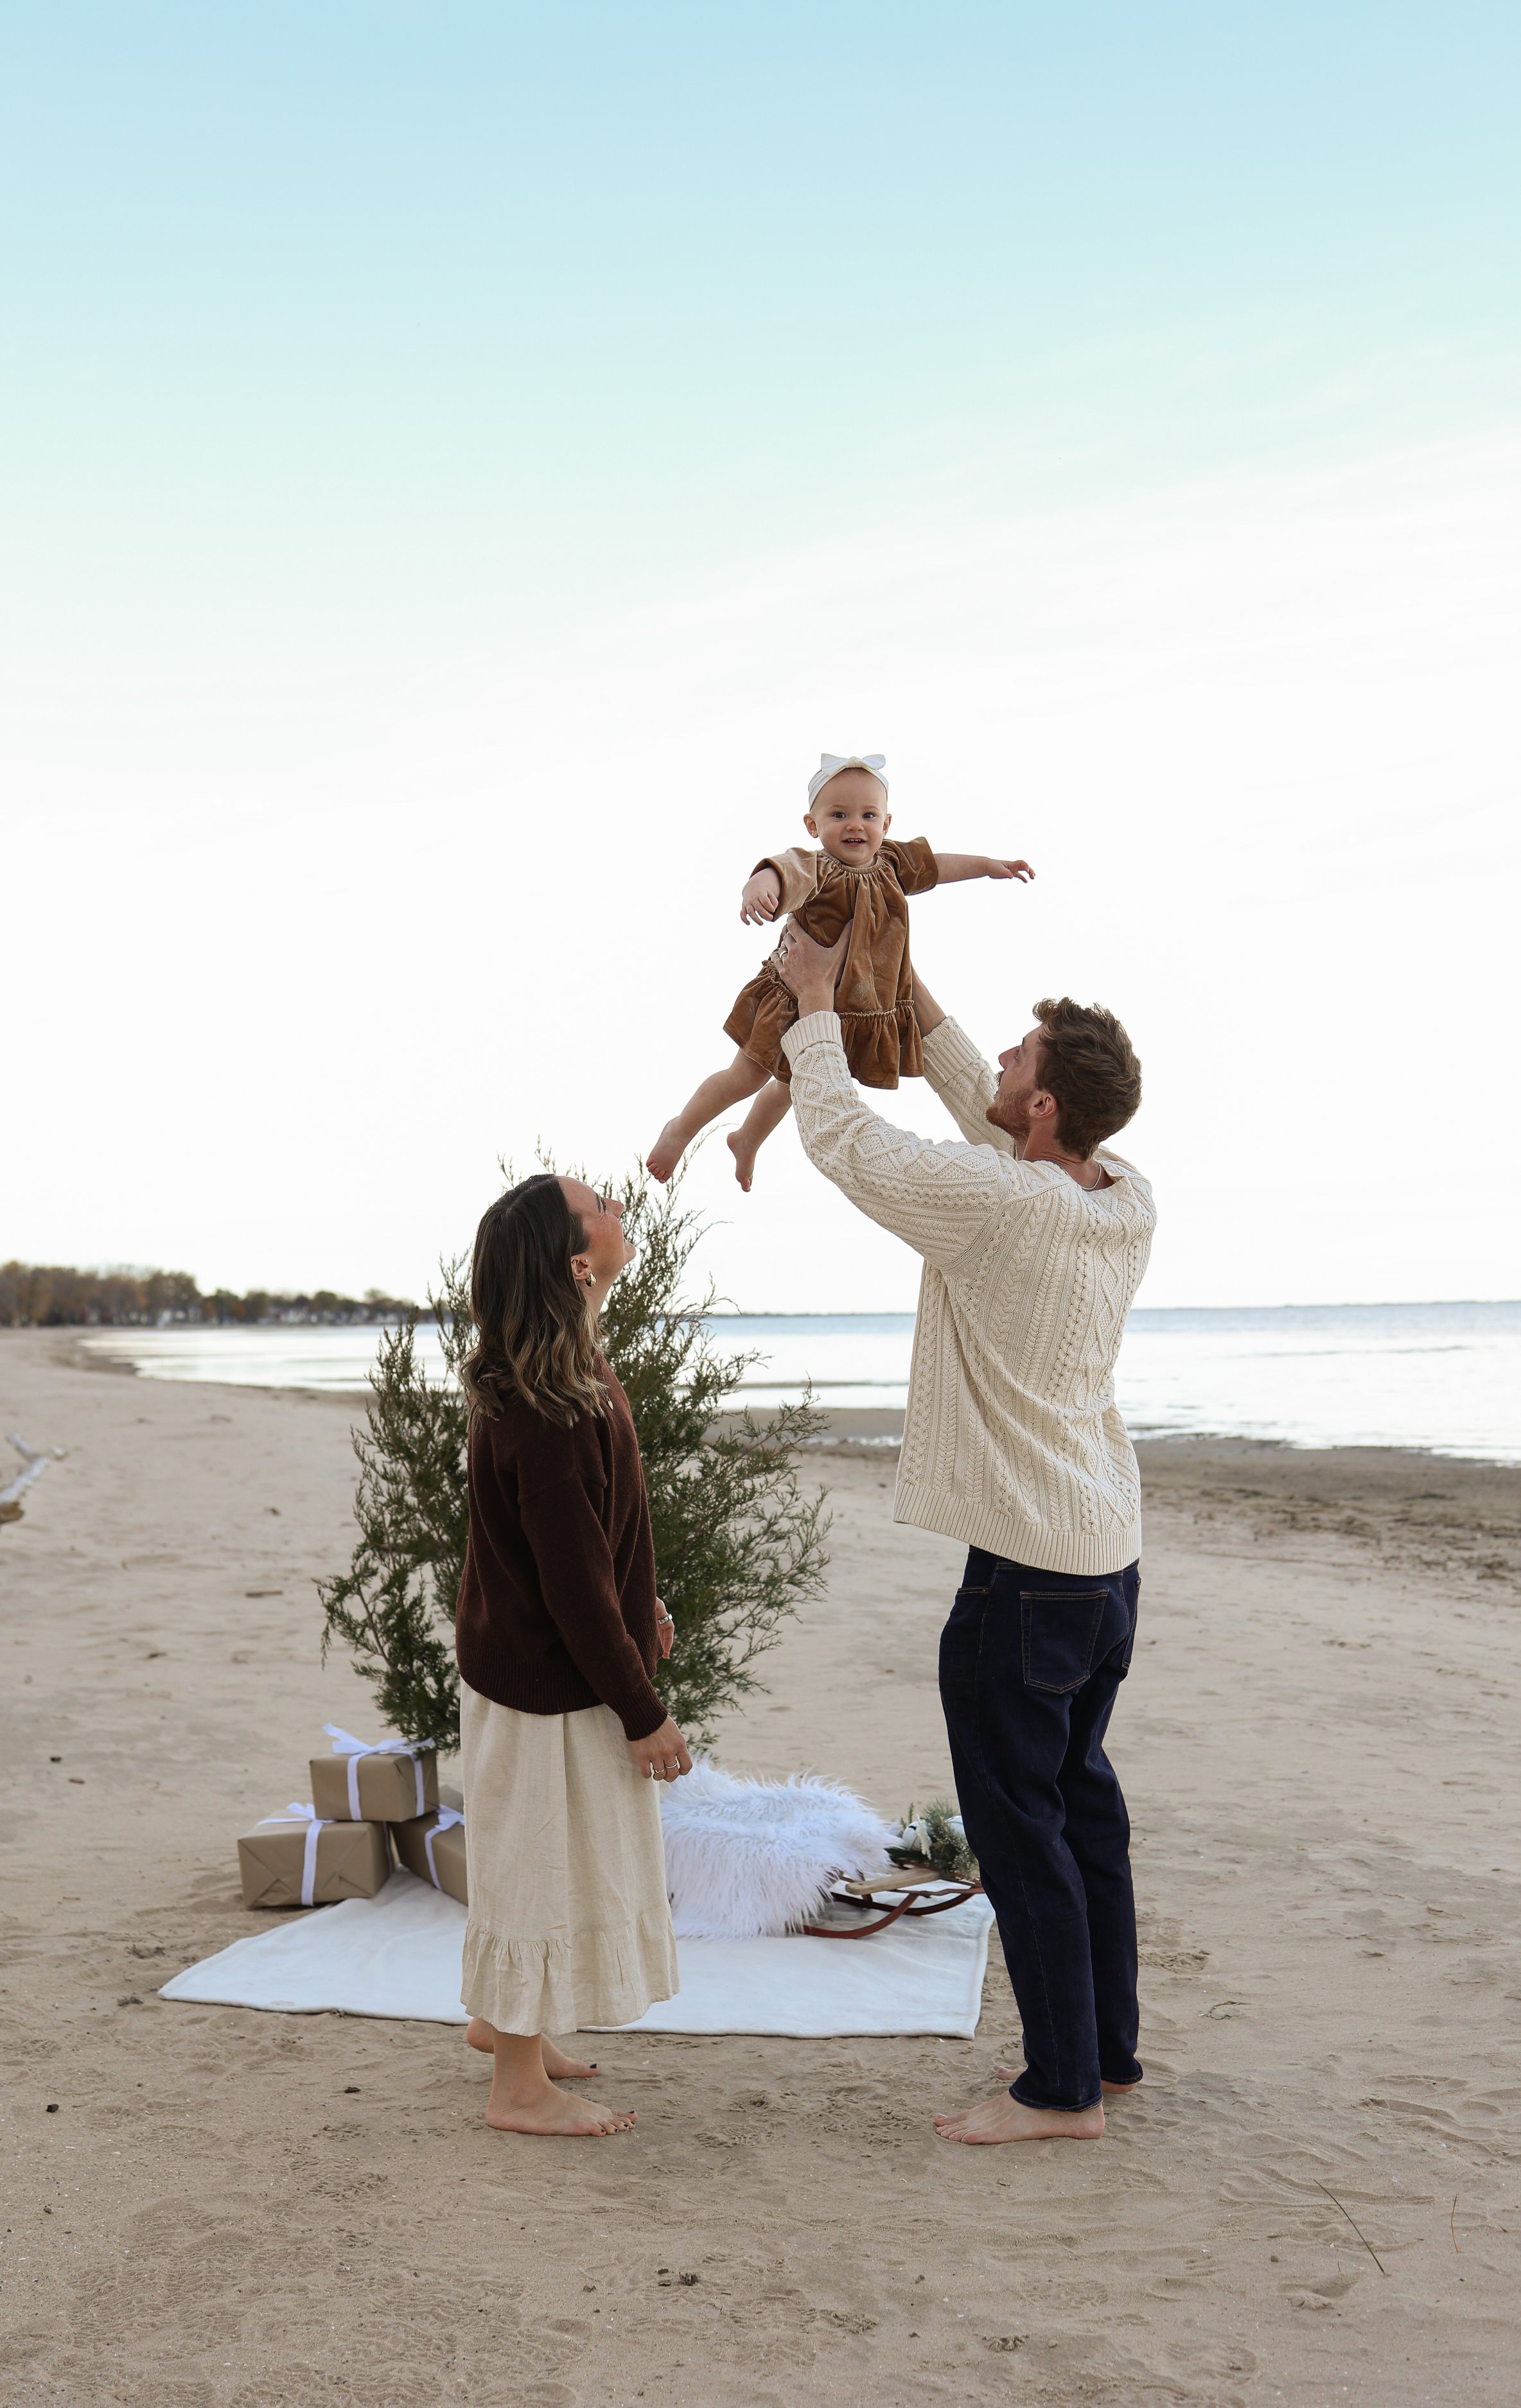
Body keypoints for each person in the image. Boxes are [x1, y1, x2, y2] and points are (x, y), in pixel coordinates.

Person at [775, 926, 1155, 2145]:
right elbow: (995, 1124)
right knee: (1081, 1803)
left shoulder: (997, 1207)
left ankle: (1060, 2093)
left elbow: (847, 1142)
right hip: (1106, 1564)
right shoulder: (1125, 1197)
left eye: (1016, 1056)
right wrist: (908, 979)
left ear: (1042, 1105)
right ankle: (1109, 2054)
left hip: (1030, 1575)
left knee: (1018, 1825)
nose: (993, 1056)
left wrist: (819, 1005)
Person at [453, 1173, 692, 2137]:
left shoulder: (564, 1374)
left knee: (532, 1856)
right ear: (577, 1261)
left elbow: (595, 1540)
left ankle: (503, 2023)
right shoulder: (550, 1407)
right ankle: (517, 2087)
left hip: (534, 1660)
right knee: (538, 1867)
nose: (621, 1208)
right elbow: (569, 1585)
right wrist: (645, 1711)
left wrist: (646, 1600)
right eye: (603, 1205)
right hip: (540, 1682)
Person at [646, 752, 1033, 1190]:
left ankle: (747, 1139)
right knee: (747, 1076)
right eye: (839, 814)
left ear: (886, 825)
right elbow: (783, 871)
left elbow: (939, 865)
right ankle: (680, 1129)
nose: (855, 825)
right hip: (794, 1000)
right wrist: (759, 886)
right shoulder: (820, 870)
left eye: (869, 815)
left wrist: (987, 867)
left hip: (844, 1010)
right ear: (813, 826)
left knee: (796, 1083)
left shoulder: (892, 864)